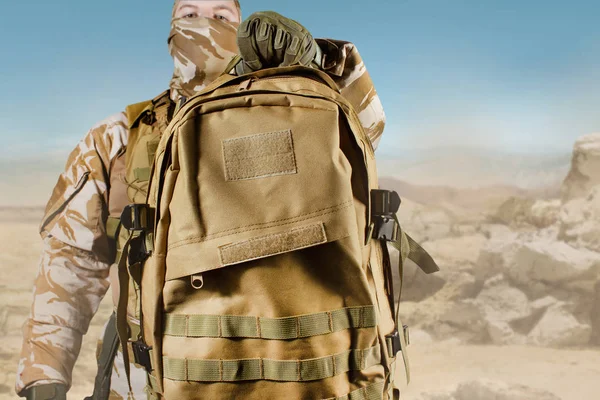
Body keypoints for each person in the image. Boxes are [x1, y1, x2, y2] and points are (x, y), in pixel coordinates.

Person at [16, 1, 387, 399]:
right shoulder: (119, 139)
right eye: (190, 13)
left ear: (242, 31)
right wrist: (45, 375)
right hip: (145, 382)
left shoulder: (296, 115)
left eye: (221, 16)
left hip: (305, 377)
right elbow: (69, 265)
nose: (205, 25)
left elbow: (368, 132)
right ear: (171, 27)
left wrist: (320, 61)